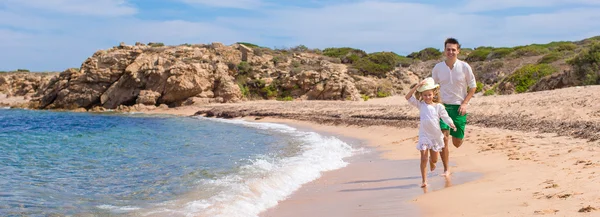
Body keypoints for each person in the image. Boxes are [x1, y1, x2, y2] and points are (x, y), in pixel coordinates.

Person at [431, 38, 477, 177]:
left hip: (458, 107)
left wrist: (465, 103)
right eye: (448, 49)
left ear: (458, 51)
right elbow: (433, 87)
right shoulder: (438, 68)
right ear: (444, 51)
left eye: (453, 49)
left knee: (456, 143)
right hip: (442, 107)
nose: (450, 52)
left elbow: (473, 87)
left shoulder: (464, 67)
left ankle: (458, 135)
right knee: (443, 138)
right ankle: (446, 169)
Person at [405, 77, 456, 188]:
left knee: (434, 159)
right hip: (424, 135)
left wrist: (451, 124)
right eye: (424, 95)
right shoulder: (421, 105)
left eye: (429, 95)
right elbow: (407, 97)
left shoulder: (438, 106)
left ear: (434, 94)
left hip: (435, 136)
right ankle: (424, 181)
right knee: (423, 158)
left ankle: (432, 162)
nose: (427, 97)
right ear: (422, 96)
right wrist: (417, 86)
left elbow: (445, 117)